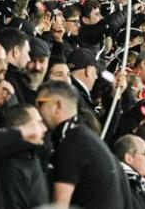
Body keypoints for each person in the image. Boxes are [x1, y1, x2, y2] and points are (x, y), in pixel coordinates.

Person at [36, 81, 130, 209]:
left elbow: (59, 206)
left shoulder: (71, 144)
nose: (37, 111)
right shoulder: (86, 138)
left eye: (40, 104)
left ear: (57, 106)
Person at [0, 103, 49, 209]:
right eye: (39, 122)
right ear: (19, 127)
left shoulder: (30, 156)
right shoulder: (8, 166)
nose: (44, 128)